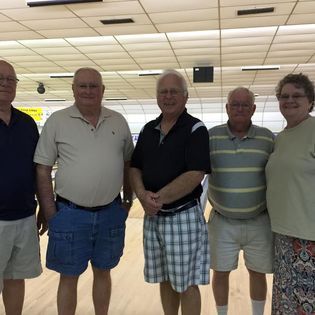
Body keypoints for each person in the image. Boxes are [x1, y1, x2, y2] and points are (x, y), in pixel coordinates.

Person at [34, 67, 134, 315]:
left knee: (104, 271)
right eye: (82, 86)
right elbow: (43, 169)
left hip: (111, 212)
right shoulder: (57, 121)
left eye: (93, 86)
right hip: (69, 214)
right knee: (68, 276)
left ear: (102, 90)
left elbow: (129, 165)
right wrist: (50, 212)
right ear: (73, 89)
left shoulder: (118, 121)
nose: (88, 91)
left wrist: (127, 202)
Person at [130, 69, 211, 315]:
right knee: (164, 278)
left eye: (174, 91)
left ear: (185, 97)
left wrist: (156, 199)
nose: (168, 96)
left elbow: (196, 173)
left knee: (186, 283)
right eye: (163, 92)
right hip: (153, 216)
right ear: (157, 97)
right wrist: (143, 196)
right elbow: (135, 166)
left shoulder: (196, 129)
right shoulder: (147, 129)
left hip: (182, 216)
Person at [207, 87, 275, 315]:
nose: (239, 108)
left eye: (245, 104)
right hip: (222, 221)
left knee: (258, 272)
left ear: (253, 109)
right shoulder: (211, 136)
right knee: (221, 271)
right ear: (226, 108)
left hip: (259, 220)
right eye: (234, 104)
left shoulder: (267, 138)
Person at [266, 73, 315, 314]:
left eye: (297, 95)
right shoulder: (282, 138)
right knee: (285, 304)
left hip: (310, 237)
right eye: (284, 96)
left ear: (310, 101)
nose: (289, 100)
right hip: (283, 236)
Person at [0, 60, 42, 314]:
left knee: (16, 277)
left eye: (10, 79)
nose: (5, 83)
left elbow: (38, 169)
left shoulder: (27, 124)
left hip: (25, 217)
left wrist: (45, 209)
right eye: (0, 78)